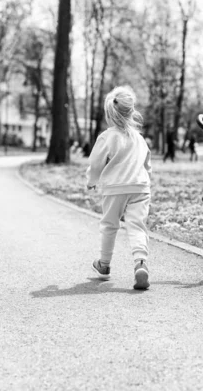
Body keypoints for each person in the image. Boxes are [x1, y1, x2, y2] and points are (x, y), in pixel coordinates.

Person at [86, 86, 152, 290]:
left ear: (109, 114)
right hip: (140, 187)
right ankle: (140, 263)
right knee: (137, 226)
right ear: (132, 112)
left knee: (109, 225)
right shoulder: (139, 139)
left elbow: (96, 164)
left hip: (115, 187)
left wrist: (92, 180)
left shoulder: (107, 137)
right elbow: (148, 165)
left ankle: (104, 265)